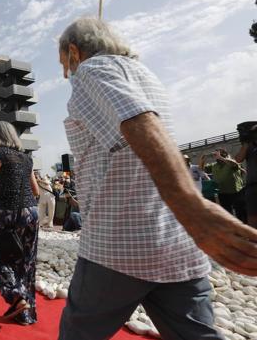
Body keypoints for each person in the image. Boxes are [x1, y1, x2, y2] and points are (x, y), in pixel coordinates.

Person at [57, 17, 257, 340]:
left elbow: (138, 120)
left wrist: (192, 206)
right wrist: (189, 215)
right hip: (177, 245)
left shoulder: (91, 72)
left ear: (75, 51)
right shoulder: (146, 74)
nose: (66, 73)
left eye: (65, 63)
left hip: (117, 244)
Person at [0, 121, 40, 326]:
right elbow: (36, 191)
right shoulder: (27, 159)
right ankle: (26, 313)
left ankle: (17, 297)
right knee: (26, 261)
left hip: (8, 213)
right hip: (31, 213)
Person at [200, 149, 245, 220]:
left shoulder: (231, 162)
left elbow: (234, 164)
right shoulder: (214, 165)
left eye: (218, 154)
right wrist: (202, 160)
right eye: (216, 155)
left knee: (241, 214)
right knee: (228, 215)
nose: (216, 157)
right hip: (222, 193)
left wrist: (221, 157)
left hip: (236, 193)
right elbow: (201, 169)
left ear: (225, 155)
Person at [236, 126, 257, 228]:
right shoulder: (249, 146)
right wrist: (246, 142)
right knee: (252, 218)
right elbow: (238, 159)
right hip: (252, 187)